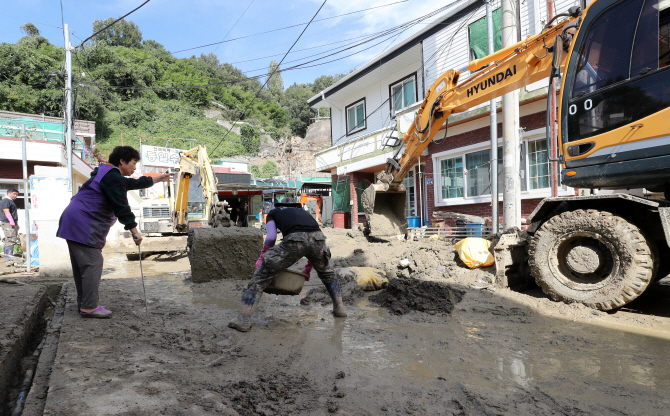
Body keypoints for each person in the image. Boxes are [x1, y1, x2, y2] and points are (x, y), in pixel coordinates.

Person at [57, 146, 171, 319]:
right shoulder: (113, 177)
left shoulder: (107, 172)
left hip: (72, 220)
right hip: (83, 222)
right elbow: (121, 206)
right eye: (133, 163)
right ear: (122, 161)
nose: (134, 168)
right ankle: (89, 307)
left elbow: (132, 183)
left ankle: (85, 303)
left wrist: (158, 179)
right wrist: (134, 231)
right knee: (93, 264)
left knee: (82, 267)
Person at [229, 197, 346, 332]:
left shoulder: (274, 213)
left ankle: (243, 320)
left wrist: (263, 258)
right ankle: (339, 309)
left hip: (295, 240)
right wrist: (307, 270)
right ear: (297, 206)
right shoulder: (305, 214)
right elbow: (312, 241)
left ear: (279, 205)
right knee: (326, 272)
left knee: (262, 275)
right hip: (319, 240)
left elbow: (271, 237)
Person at [1, 188, 19, 263]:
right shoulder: (6, 200)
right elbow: (6, 211)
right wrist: (11, 221)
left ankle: (8, 256)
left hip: (11, 223)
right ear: (9, 193)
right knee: (10, 239)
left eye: (16, 195)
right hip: (8, 223)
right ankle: (8, 258)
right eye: (14, 194)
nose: (15, 196)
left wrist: (16, 223)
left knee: (12, 239)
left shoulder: (11, 201)